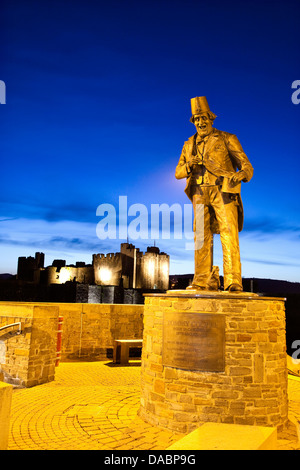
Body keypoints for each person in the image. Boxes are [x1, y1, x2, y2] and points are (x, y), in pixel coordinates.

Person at [175, 96, 253, 292]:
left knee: (229, 234)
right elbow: (178, 173)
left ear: (211, 119)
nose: (200, 122)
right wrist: (189, 165)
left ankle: (233, 281)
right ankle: (201, 280)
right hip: (199, 193)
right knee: (200, 236)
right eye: (197, 119)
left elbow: (247, 167)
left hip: (222, 191)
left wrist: (241, 175)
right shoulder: (188, 144)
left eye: (203, 118)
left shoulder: (227, 138)